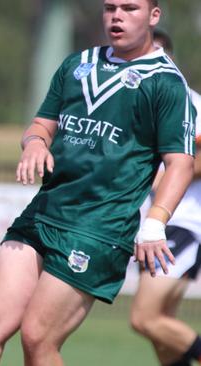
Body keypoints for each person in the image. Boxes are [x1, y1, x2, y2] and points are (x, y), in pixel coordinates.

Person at [0, 1, 196, 365]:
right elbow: (41, 125)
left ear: (153, 16)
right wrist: (34, 143)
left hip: (98, 228)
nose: (117, 16)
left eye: (130, 8)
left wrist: (156, 222)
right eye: (110, 7)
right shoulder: (77, 65)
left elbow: (181, 164)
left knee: (38, 338)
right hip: (44, 212)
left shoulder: (166, 83)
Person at [130, 29, 201, 366]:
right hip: (153, 227)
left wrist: (166, 173)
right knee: (162, 333)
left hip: (182, 224)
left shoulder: (191, 103)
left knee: (145, 319)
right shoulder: (133, 104)